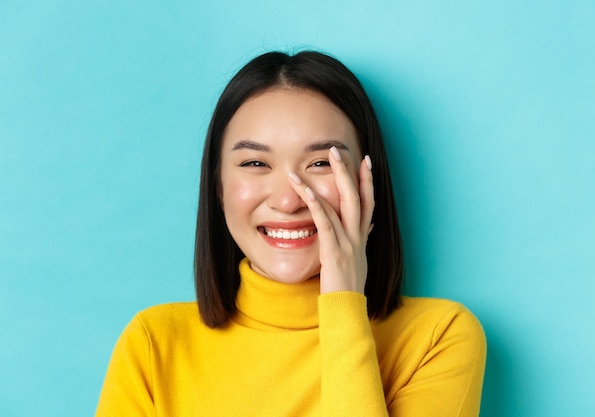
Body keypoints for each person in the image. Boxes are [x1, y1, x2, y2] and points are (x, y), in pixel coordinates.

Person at [95, 50, 486, 416]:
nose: (288, 200)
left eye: (320, 162)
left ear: (367, 180)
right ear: (218, 185)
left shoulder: (438, 338)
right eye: (254, 162)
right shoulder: (153, 345)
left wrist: (343, 306)